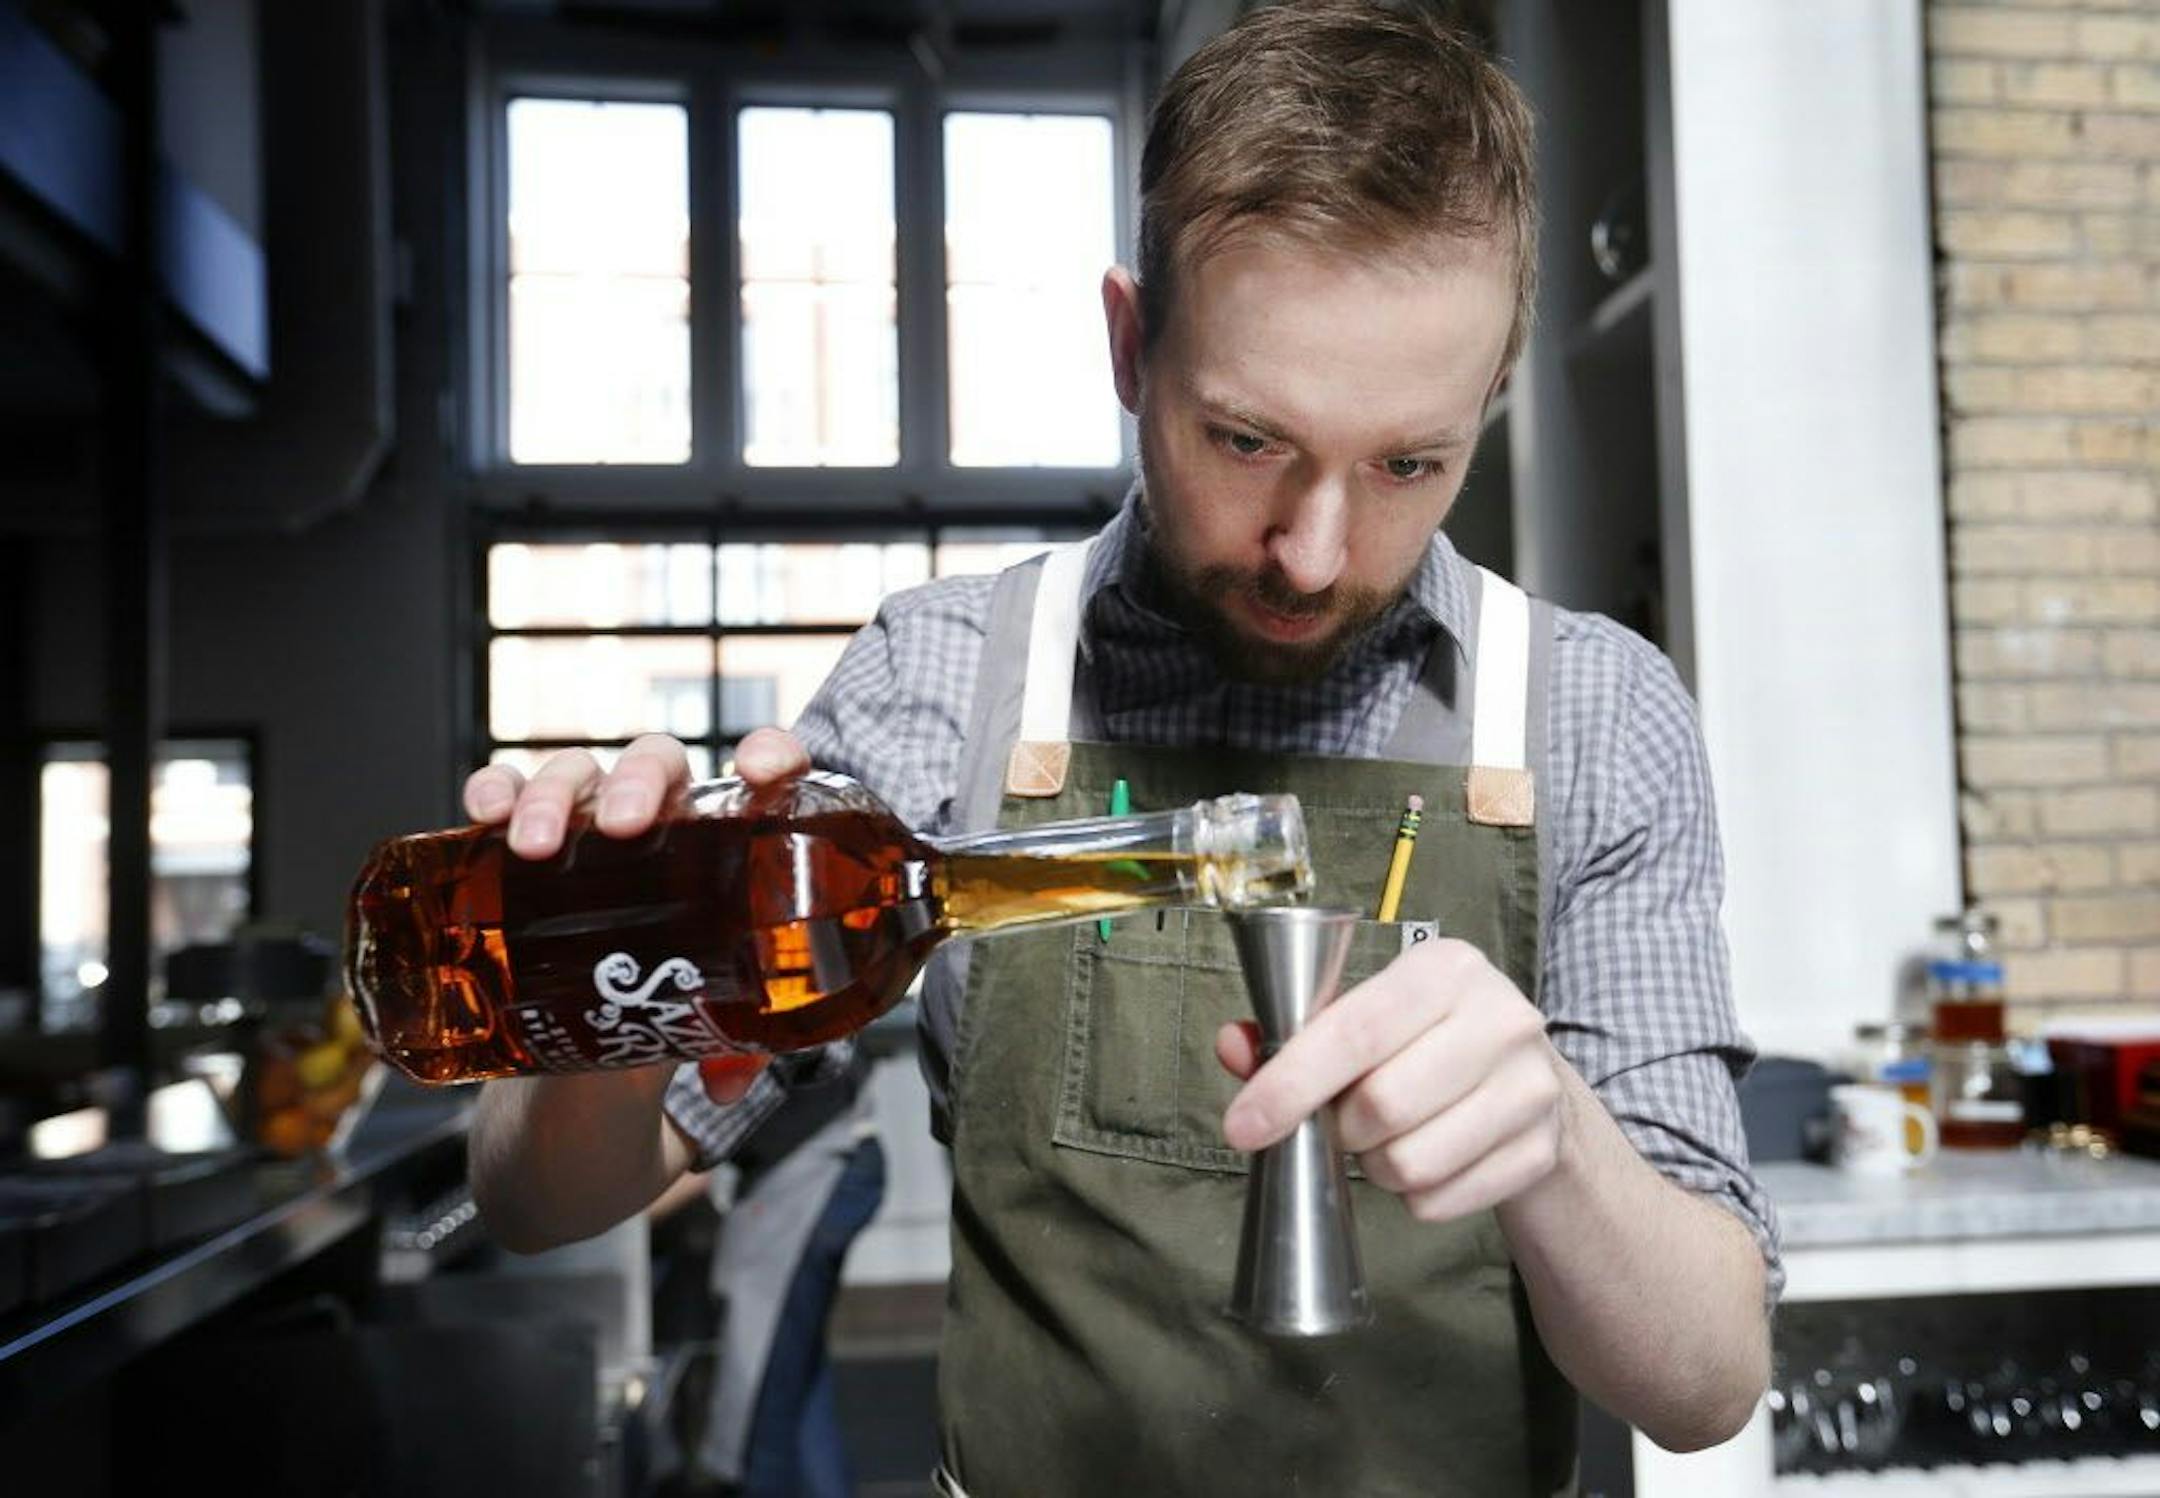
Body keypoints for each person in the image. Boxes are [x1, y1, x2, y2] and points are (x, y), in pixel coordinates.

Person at [466, 3, 1779, 1493]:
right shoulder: (945, 681)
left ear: (1490, 393)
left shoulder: (1595, 714)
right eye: (1247, 441)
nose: (1314, 549)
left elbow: (1705, 1381)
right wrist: (603, 974)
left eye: (1411, 462)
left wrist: (1555, 1138)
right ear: (1130, 339)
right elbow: (546, 1199)